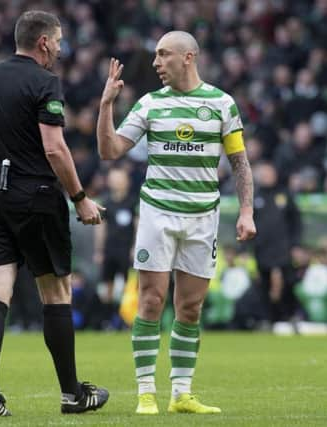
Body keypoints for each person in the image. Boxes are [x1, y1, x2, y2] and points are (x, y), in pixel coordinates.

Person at [97, 31, 256, 415]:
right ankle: (146, 392)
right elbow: (110, 151)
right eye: (155, 55)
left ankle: (181, 393)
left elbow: (239, 162)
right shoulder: (150, 104)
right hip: (158, 213)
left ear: (188, 57)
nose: (156, 62)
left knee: (190, 308)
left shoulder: (221, 103)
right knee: (151, 301)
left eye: (163, 55)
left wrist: (247, 211)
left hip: (204, 216)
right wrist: (106, 107)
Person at [0, 10, 109, 417]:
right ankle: (71, 394)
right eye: (59, 41)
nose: (61, 49)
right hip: (36, 195)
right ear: (44, 42)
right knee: (55, 292)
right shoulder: (45, 81)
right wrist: (80, 197)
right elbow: (54, 147)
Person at [252, 161, 302, 325]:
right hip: (262, 250)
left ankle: (291, 315)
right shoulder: (255, 197)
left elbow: (296, 222)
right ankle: (268, 318)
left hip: (283, 249)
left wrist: (295, 244)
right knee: (264, 285)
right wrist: (246, 247)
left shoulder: (284, 195)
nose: (268, 177)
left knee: (287, 282)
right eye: (265, 174)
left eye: (270, 173)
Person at [93, 165, 137, 329]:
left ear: (127, 181)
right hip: (110, 249)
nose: (117, 182)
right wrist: (99, 251)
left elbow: (137, 225)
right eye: (114, 179)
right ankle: (108, 320)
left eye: (120, 178)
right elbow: (101, 228)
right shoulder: (106, 202)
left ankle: (126, 320)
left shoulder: (133, 201)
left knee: (128, 285)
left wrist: (135, 246)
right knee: (107, 286)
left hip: (127, 250)